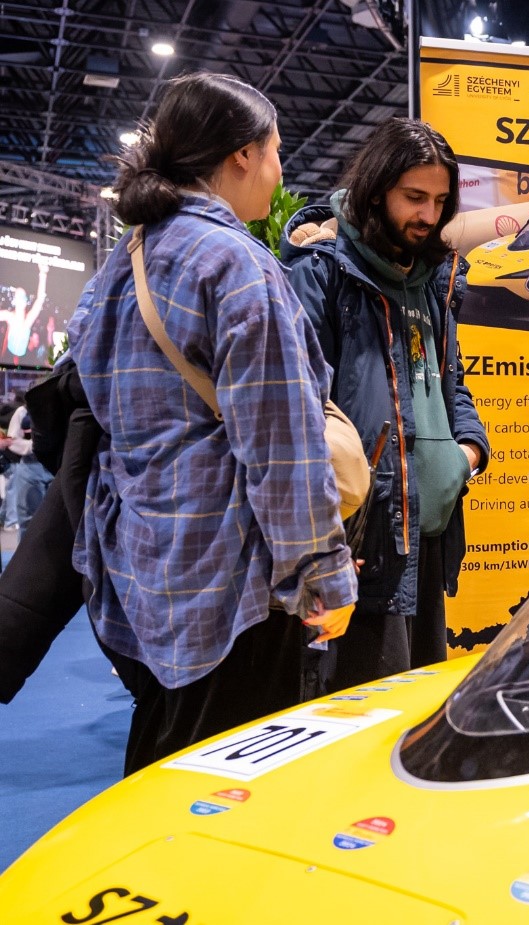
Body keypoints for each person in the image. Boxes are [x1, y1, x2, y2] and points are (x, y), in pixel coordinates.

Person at [65, 71, 357, 773]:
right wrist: (323, 578)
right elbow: (280, 448)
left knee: (158, 768)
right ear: (241, 157)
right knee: (231, 787)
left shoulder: (123, 259)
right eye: (277, 151)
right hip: (231, 586)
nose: (281, 170)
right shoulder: (238, 266)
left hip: (139, 567)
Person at [281, 117, 489, 690]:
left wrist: (468, 453)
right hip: (362, 542)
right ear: (376, 192)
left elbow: (453, 385)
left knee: (416, 712)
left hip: (429, 535)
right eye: (414, 198)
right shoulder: (322, 275)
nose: (427, 215)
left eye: (440, 201)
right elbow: (300, 422)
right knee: (356, 718)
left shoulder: (433, 280)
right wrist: (320, 548)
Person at [0, 390, 53, 539]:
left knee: (55, 519)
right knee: (28, 520)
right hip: (30, 467)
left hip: (54, 465)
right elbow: (13, 440)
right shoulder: (23, 412)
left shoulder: (57, 408)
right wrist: (34, 445)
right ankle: (26, 560)